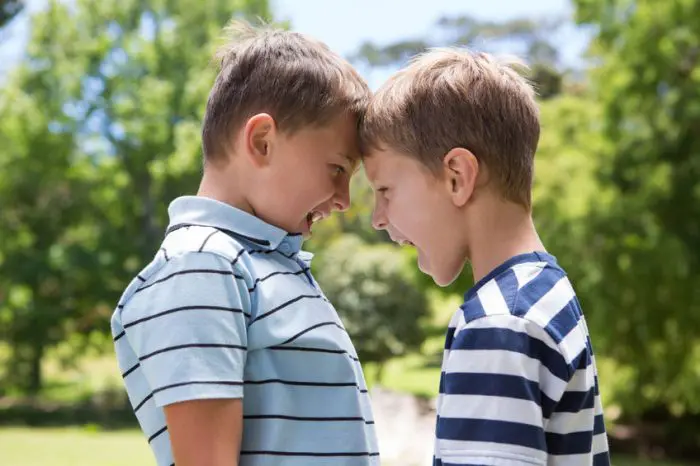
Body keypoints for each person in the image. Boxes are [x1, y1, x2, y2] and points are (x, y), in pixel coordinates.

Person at [111, 19, 378, 466]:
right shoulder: (199, 268)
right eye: (337, 168)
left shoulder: (261, 263)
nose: (345, 200)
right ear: (262, 141)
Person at [359, 48, 611, 465]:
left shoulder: (498, 323)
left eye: (384, 190)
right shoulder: (545, 292)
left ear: (457, 177)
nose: (377, 219)